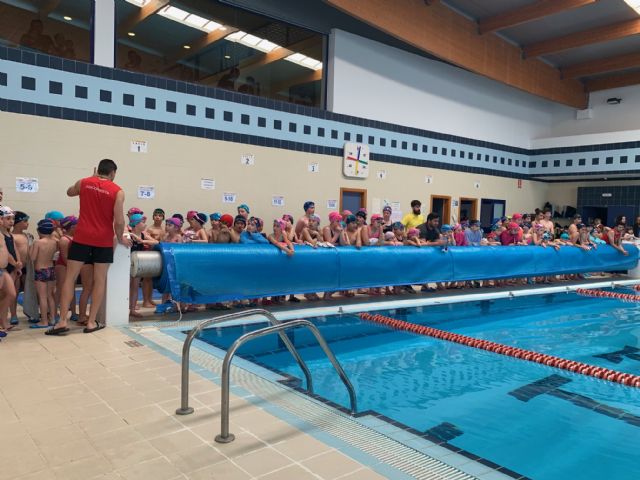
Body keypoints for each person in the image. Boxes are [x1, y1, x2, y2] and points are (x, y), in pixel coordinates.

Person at [47, 159, 130, 336]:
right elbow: (119, 220)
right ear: (113, 173)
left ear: (97, 169)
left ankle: (62, 321)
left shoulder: (84, 183)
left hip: (81, 237)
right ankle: (91, 322)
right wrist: (121, 236)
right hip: (103, 240)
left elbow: (69, 192)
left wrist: (90, 179)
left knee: (70, 278)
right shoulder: (118, 191)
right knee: (99, 280)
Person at [29, 219, 58, 328]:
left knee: (42, 297)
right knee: (50, 296)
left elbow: (32, 257)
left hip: (40, 271)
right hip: (51, 270)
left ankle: (44, 321)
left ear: (39, 231)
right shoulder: (55, 242)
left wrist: (30, 247)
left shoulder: (38, 242)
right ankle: (53, 319)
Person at [129, 214, 158, 317]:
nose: (144, 224)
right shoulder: (128, 234)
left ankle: (132, 309)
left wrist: (142, 241)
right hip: (127, 265)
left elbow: (156, 242)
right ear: (136, 224)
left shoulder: (142, 234)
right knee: (127, 287)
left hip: (137, 265)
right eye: (142, 222)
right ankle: (125, 306)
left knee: (135, 287)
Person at [55, 216, 78, 323]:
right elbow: (64, 257)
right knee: (60, 290)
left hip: (70, 266)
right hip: (63, 267)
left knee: (71, 290)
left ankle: (73, 313)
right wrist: (73, 268)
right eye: (77, 225)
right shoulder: (64, 240)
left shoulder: (74, 238)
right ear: (72, 227)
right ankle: (54, 312)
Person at [1, 207, 21, 326]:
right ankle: (2, 321)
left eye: (12, 219)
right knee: (4, 295)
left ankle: (3, 320)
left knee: (11, 294)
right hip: (4, 267)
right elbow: (6, 254)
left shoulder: (9, 234)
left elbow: (14, 249)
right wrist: (14, 262)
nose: (11, 221)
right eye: (8, 218)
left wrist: (18, 263)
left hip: (9, 268)